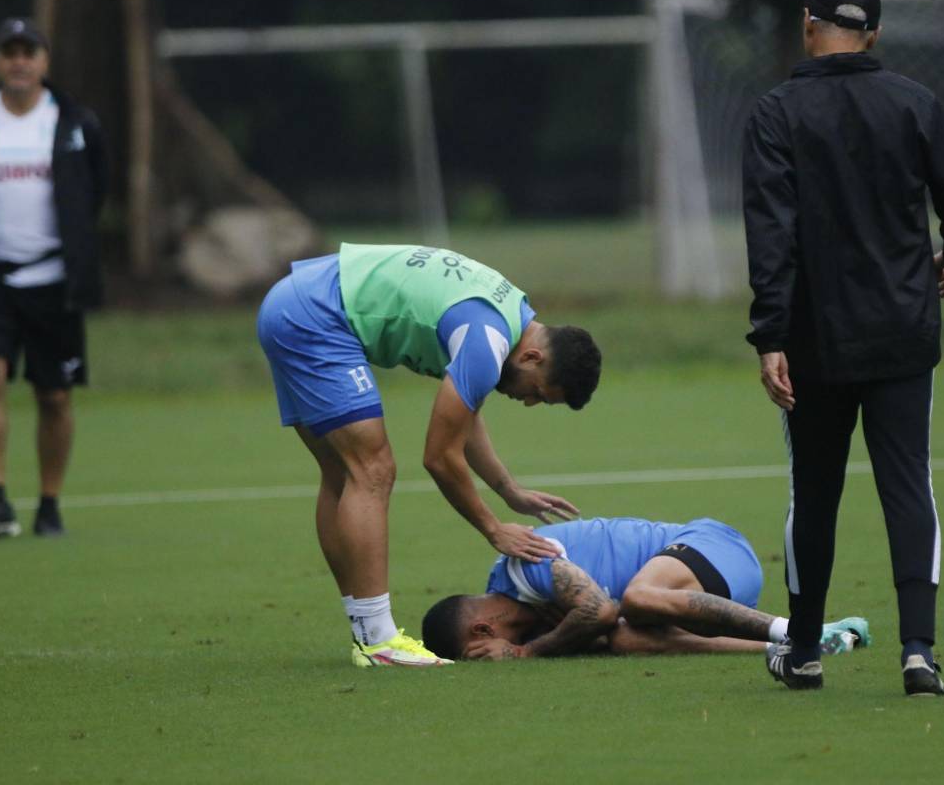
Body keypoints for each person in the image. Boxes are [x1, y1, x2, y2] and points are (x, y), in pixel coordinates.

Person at [742, 0, 944, 696]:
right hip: (903, 332)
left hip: (815, 338)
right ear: (875, 36)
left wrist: (770, 334)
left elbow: (771, 236)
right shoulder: (914, 103)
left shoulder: (775, 114)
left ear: (807, 25)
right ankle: (919, 653)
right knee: (908, 484)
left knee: (813, 492)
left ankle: (804, 653)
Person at [256, 243, 602, 667]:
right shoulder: (488, 342)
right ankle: (378, 641)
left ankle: (367, 634)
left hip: (294, 301)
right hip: (315, 316)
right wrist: (493, 528)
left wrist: (508, 489)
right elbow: (439, 456)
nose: (528, 402)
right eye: (538, 393)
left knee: (343, 474)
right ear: (533, 357)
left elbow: (464, 417)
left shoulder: (510, 313)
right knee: (373, 470)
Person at [0, 18, 106, 541]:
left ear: (44, 61)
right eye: (9, 52)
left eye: (28, 52)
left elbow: (96, 188)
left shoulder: (74, 123)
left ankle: (49, 503)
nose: (19, 61)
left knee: (53, 394)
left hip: (54, 279)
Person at [421, 516, 870, 661]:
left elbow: (596, 612)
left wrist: (527, 653)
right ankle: (800, 647)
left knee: (633, 600)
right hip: (706, 598)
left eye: (477, 653)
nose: (490, 658)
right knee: (623, 639)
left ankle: (800, 631)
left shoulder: (522, 567)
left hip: (713, 546)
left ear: (482, 631)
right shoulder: (528, 607)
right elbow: (601, 630)